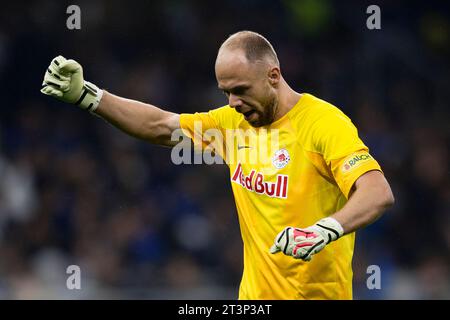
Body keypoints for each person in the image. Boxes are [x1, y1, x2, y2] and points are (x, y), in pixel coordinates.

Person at [40, 30, 394, 299]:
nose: (232, 102)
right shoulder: (232, 124)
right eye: (225, 91)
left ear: (273, 76)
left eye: (240, 90)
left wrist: (323, 230)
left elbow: (377, 192)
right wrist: (89, 96)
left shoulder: (323, 123)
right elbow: (161, 126)